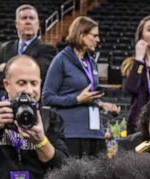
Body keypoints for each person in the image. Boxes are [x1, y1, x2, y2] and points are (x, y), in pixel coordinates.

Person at [42, 16, 118, 158]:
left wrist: (102, 104)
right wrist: (76, 99)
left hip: (95, 132)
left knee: (100, 178)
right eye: (94, 36)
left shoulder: (92, 63)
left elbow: (88, 97)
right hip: (72, 133)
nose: (98, 40)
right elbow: (47, 97)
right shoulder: (61, 60)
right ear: (82, 34)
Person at [0, 5, 56, 88]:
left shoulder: (48, 49)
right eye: (24, 18)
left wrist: (5, 68)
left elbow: (38, 74)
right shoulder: (5, 48)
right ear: (16, 24)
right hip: (6, 99)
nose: (28, 22)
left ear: (37, 25)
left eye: (32, 18)